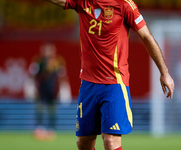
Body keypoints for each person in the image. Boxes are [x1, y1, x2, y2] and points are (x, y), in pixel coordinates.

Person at [43, 0, 175, 149]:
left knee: (110, 140)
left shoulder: (124, 4)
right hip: (88, 84)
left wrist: (164, 72)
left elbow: (146, 37)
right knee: (83, 143)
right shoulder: (83, 1)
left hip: (114, 84)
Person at [28, 43, 69, 141]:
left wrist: (64, 89)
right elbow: (32, 75)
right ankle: (39, 128)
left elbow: (62, 76)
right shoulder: (39, 62)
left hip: (52, 89)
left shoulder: (58, 62)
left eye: (50, 50)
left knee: (52, 109)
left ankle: (51, 130)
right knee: (40, 108)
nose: (48, 52)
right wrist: (31, 87)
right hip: (41, 89)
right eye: (46, 50)